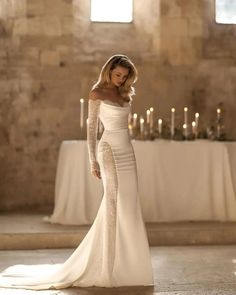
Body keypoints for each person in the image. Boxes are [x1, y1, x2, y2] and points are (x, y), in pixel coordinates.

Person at [0, 54, 154, 290]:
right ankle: (106, 267)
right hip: (109, 150)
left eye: (124, 77)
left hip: (127, 151)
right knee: (113, 203)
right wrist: (93, 160)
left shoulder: (124, 94)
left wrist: (124, 88)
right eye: (117, 75)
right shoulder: (97, 93)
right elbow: (92, 129)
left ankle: (129, 265)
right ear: (108, 71)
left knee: (130, 204)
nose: (120, 80)